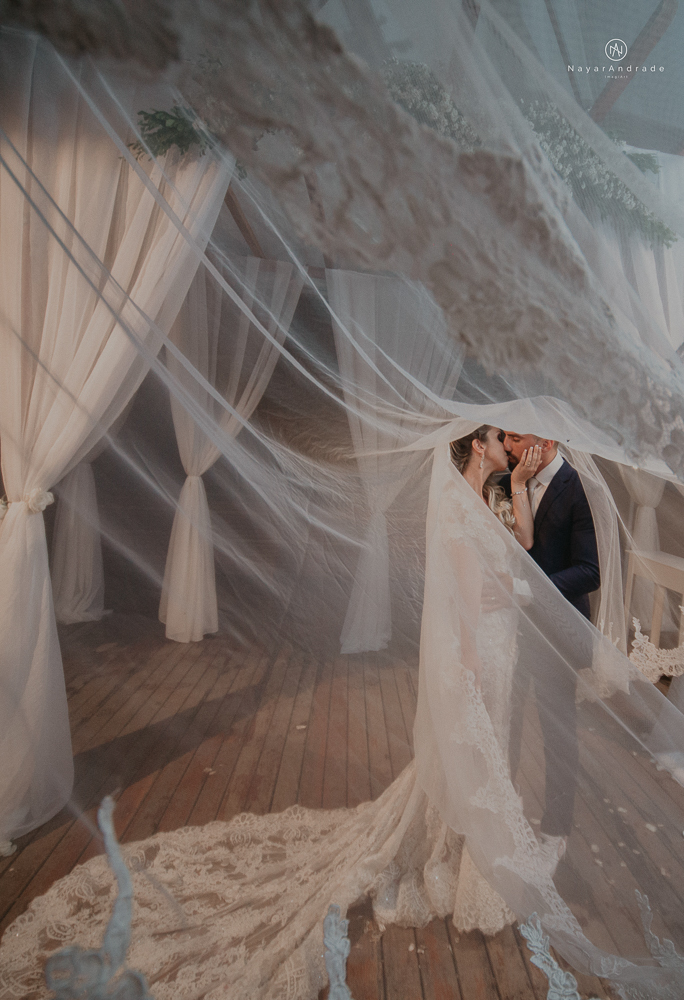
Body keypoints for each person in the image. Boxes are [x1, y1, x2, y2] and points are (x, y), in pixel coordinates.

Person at [501, 432, 600, 865]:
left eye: (516, 438)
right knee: (507, 721)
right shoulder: (510, 478)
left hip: (557, 633)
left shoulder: (579, 489)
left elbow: (589, 571)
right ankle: (506, 810)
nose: (506, 445)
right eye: (504, 436)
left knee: (558, 736)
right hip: (512, 628)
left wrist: (530, 589)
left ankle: (556, 832)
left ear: (547, 439)